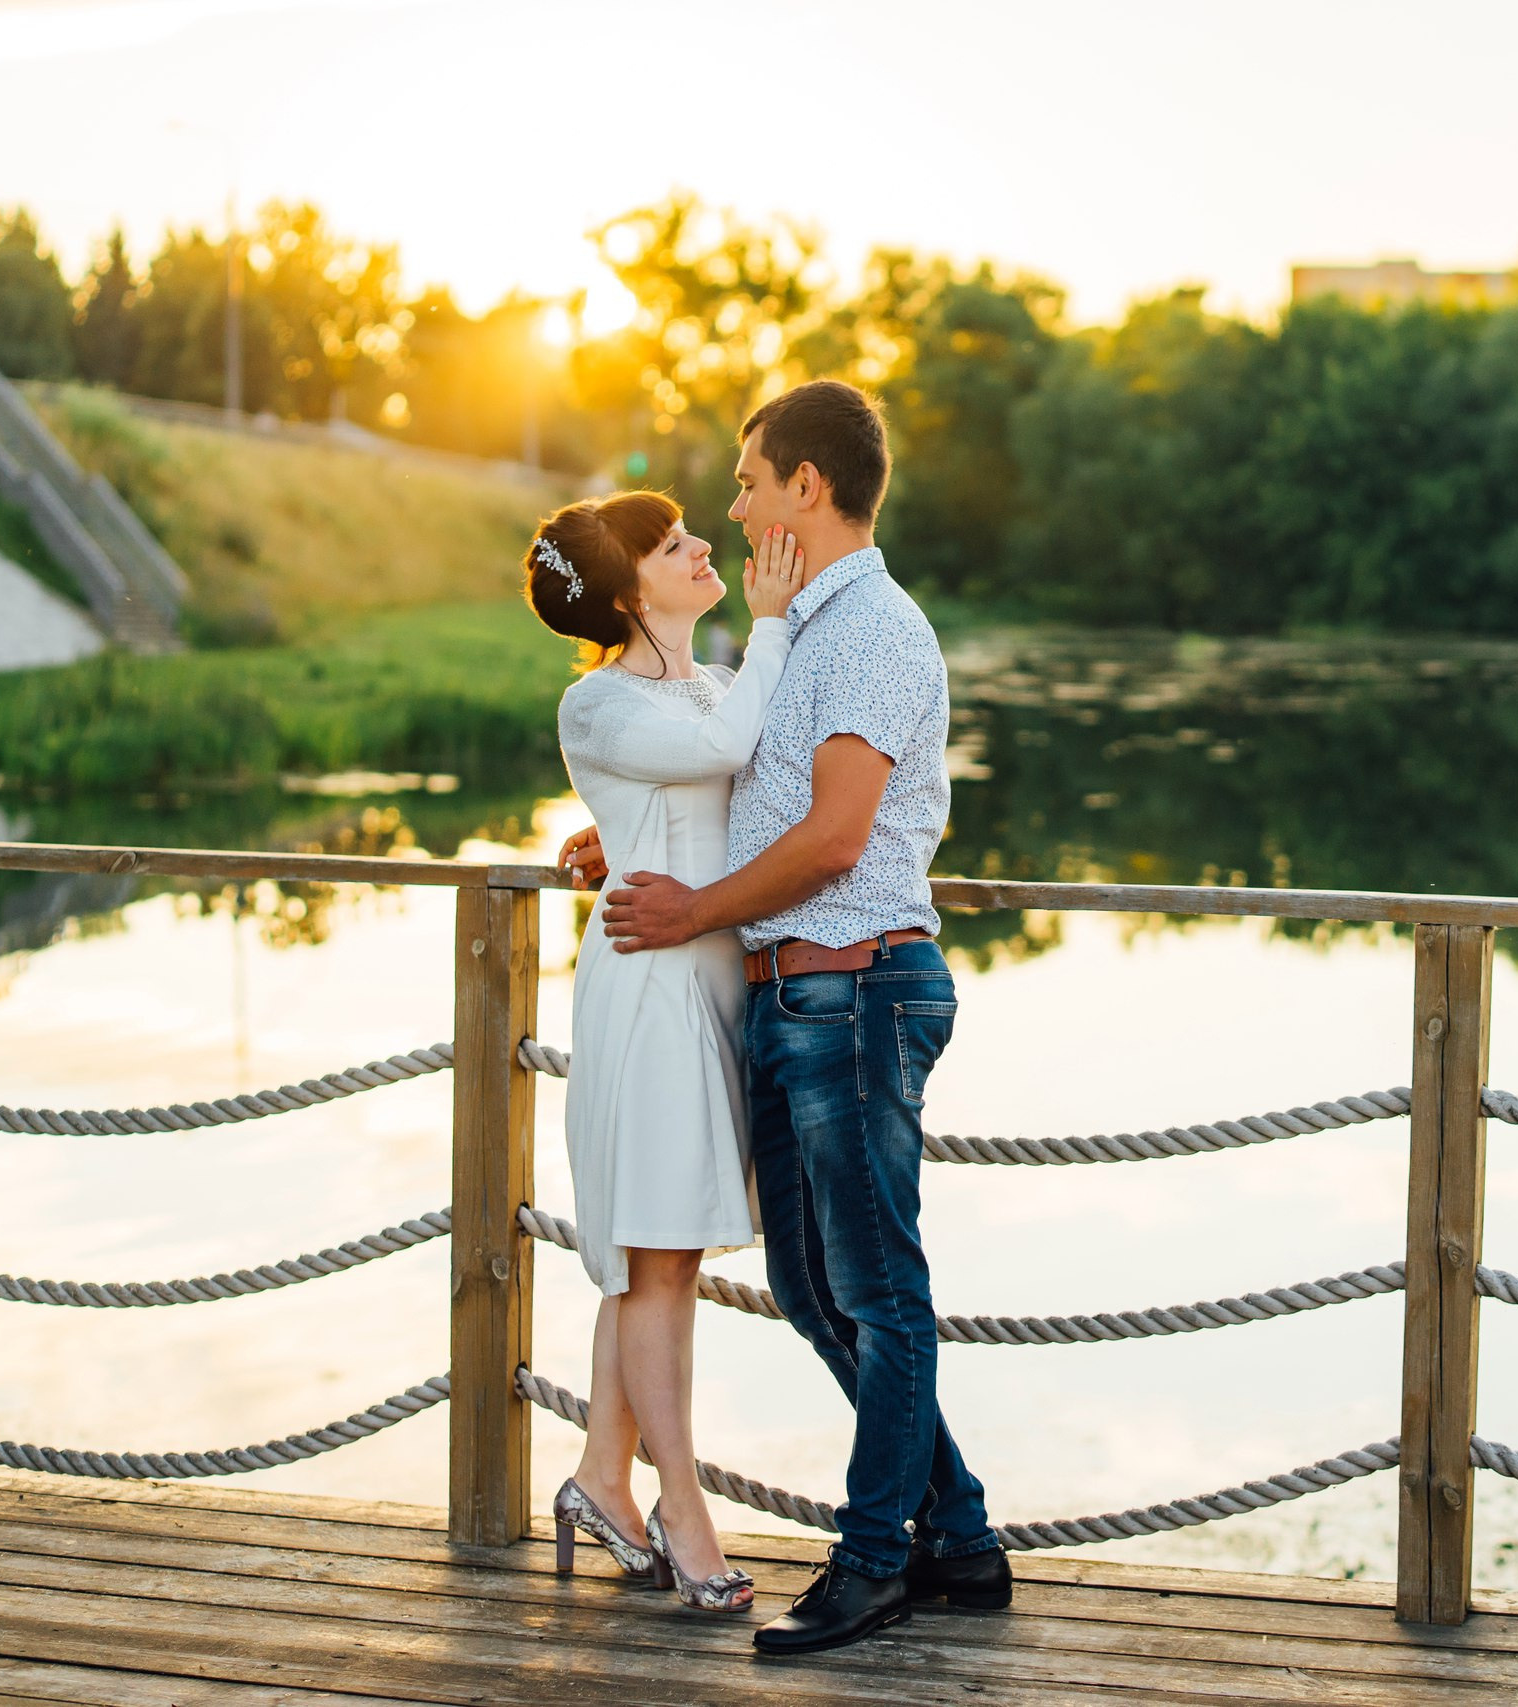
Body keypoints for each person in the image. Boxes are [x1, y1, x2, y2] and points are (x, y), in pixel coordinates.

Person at [562, 380, 1009, 1656]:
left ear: (806, 488)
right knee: (819, 1290)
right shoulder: (799, 629)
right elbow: (748, 772)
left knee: (873, 1287)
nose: (736, 502)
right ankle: (959, 1537)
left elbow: (832, 837)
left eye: (751, 479)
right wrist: (625, 837)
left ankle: (877, 1561)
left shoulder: (868, 628)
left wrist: (696, 902)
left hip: (852, 984)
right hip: (795, 991)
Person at [523, 487, 807, 1613]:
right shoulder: (596, 705)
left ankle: (601, 1475)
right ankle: (681, 1506)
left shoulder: (698, 684)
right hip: (648, 991)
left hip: (704, 983)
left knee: (664, 1254)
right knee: (659, 1258)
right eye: (677, 543)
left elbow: (739, 771)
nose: (705, 549)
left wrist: (614, 833)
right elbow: (726, 746)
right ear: (633, 589)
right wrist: (779, 618)